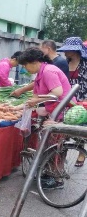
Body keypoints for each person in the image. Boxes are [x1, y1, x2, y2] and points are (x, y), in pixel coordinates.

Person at [18, 47, 74, 189]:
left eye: (25, 65)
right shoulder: (40, 73)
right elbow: (35, 96)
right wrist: (19, 107)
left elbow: (57, 92)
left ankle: (56, 179)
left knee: (54, 145)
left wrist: (35, 102)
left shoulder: (48, 71)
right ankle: (47, 172)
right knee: (47, 143)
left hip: (62, 111)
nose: (24, 68)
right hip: (53, 110)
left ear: (35, 62)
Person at [57, 36, 87, 166]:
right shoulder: (65, 63)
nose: (65, 52)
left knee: (80, 126)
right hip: (67, 98)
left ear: (75, 50)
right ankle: (62, 155)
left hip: (82, 98)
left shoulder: (85, 63)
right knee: (66, 127)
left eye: (68, 49)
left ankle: (81, 152)